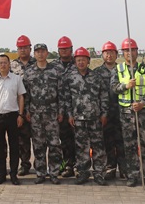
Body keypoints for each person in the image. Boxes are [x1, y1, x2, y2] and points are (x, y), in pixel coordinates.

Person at [110, 38, 145, 188]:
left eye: (132, 50)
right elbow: (113, 88)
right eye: (126, 51)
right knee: (129, 146)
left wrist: (143, 102)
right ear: (123, 53)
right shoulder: (118, 69)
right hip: (126, 114)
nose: (129, 53)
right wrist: (126, 86)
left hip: (143, 112)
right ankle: (132, 175)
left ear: (137, 51)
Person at [63, 47, 108, 186]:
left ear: (88, 61)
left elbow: (104, 96)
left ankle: (99, 173)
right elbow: (67, 98)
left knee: (98, 147)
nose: (81, 62)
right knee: (81, 148)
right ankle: (83, 173)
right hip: (78, 119)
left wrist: (104, 113)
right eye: (78, 60)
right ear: (75, 62)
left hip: (95, 118)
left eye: (83, 60)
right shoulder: (70, 78)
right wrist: (69, 115)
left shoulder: (96, 77)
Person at [23, 43, 63, 185]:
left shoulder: (56, 71)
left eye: (42, 51)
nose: (40, 54)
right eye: (37, 52)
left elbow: (61, 93)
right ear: (34, 54)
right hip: (35, 113)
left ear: (47, 53)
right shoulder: (29, 72)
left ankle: (54, 173)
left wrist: (61, 111)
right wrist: (27, 110)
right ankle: (40, 173)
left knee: (54, 145)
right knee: (38, 145)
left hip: (52, 113)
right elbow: (26, 94)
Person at [0, 54, 25, 186]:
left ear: (9, 64)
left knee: (14, 146)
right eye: (1, 63)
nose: (3, 65)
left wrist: (20, 115)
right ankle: (1, 174)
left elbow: (20, 97)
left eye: (5, 63)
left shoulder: (16, 79)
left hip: (13, 116)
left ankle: (13, 174)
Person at [96, 41, 125, 180]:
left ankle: (124, 168)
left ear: (116, 54)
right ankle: (110, 168)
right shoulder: (97, 73)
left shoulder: (123, 70)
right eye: (106, 53)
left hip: (121, 111)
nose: (109, 55)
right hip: (105, 113)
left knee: (122, 141)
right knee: (107, 141)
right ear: (102, 55)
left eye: (112, 52)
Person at [10, 34, 35, 176]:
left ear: (30, 48)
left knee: (39, 139)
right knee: (22, 139)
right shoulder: (12, 65)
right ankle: (24, 164)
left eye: (25, 47)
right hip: (19, 108)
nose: (23, 50)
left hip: (36, 108)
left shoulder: (37, 62)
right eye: (20, 48)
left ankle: (40, 165)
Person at [53, 36, 76, 178]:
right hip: (59, 110)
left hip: (76, 109)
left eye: (66, 48)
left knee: (77, 140)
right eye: (61, 49)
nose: (64, 51)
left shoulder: (78, 63)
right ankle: (65, 164)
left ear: (71, 49)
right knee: (63, 140)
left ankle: (76, 165)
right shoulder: (53, 66)